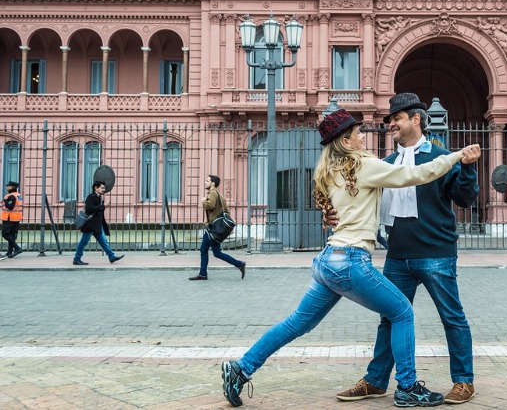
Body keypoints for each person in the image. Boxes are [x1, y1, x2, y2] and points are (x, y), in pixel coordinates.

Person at [220, 109, 480, 408]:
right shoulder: (365, 165)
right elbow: (418, 174)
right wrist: (456, 156)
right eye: (357, 132)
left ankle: (241, 369)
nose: (363, 136)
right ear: (346, 140)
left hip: (328, 261)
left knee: (297, 323)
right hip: (352, 260)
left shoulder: (328, 170)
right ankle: (407, 387)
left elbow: (338, 211)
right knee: (402, 313)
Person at [332, 93, 481, 405]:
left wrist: (467, 168)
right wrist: (331, 212)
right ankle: (375, 381)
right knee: (390, 318)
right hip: (397, 256)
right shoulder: (386, 165)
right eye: (389, 120)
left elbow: (465, 199)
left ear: (416, 119)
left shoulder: (441, 157)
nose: (391, 125)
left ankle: (464, 381)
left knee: (451, 317)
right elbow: (359, 200)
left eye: (396, 118)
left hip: (436, 254)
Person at [189, 175, 246, 280]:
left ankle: (203, 274)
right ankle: (239, 264)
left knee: (205, 250)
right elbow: (227, 212)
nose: (205, 182)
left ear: (213, 183)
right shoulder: (220, 195)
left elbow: (210, 205)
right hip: (216, 229)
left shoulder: (212, 193)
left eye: (207, 181)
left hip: (212, 229)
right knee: (215, 252)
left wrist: (203, 201)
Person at [73, 181, 124, 265]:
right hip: (90, 225)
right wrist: (103, 206)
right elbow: (89, 209)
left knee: (103, 241)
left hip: (97, 225)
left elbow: (98, 211)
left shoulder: (99, 197)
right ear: (96, 188)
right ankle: (76, 259)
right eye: (102, 188)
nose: (104, 190)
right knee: (83, 242)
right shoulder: (91, 197)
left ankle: (111, 256)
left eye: (104, 188)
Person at [1, 180, 24, 260]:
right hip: (16, 218)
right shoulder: (18, 195)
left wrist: (5, 201)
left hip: (9, 218)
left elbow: (10, 207)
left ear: (12, 187)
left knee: (5, 234)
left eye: (8, 186)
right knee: (12, 235)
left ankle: (17, 248)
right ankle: (9, 252)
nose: (7, 187)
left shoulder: (11, 196)